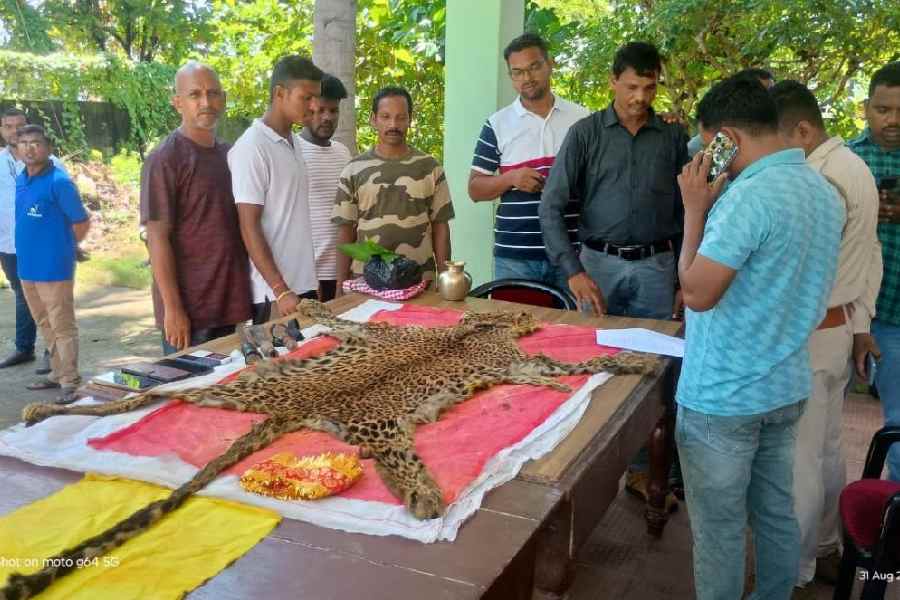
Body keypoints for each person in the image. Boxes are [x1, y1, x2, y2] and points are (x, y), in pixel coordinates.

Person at [675, 76, 844, 600]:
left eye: (709, 146)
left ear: (727, 136)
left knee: (720, 531)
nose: (707, 157)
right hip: (784, 386)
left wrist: (695, 209)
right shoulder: (823, 191)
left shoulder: (749, 197)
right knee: (775, 512)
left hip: (723, 398)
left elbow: (697, 292)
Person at [540, 41, 689, 503]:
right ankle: (574, 467)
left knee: (656, 375)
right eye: (631, 86)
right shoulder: (585, 134)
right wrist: (573, 271)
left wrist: (684, 278)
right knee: (589, 368)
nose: (640, 97)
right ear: (612, 81)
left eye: (649, 87)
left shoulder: (672, 137)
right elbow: (551, 204)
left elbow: (692, 209)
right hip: (597, 266)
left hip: (657, 268)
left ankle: (646, 471)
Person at [771, 80, 883, 594]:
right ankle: (824, 547)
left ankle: (792, 572)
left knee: (799, 462)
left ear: (802, 128)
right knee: (827, 448)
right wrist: (861, 326)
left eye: (776, 138)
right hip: (836, 329)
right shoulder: (850, 168)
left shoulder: (823, 180)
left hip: (811, 334)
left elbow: (796, 265)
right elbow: (871, 258)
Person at [140, 62, 252, 355]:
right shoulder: (165, 160)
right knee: (192, 393)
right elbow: (157, 238)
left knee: (229, 393)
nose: (206, 102)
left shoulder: (232, 155)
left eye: (213, 93)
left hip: (231, 303)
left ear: (223, 99)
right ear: (178, 102)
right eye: (195, 95)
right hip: (191, 312)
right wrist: (172, 309)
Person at [468, 32, 589, 288]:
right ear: (511, 76)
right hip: (515, 256)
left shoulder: (582, 119)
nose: (527, 78)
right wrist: (511, 178)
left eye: (534, 67)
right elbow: (475, 189)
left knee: (572, 328)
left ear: (550, 64)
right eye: (518, 72)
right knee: (514, 328)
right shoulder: (497, 124)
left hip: (573, 255)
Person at [229, 55, 323, 324]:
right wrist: (280, 290)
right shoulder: (252, 147)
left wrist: (309, 281)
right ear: (280, 93)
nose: (315, 106)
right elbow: (249, 226)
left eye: (316, 97)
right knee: (279, 366)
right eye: (307, 97)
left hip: (301, 288)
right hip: (274, 297)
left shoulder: (292, 141)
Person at [333, 86, 454, 292]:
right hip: (366, 282)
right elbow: (345, 231)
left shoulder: (430, 167)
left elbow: (441, 228)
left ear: (410, 119)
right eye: (386, 117)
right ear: (373, 119)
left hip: (419, 282)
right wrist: (339, 285)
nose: (393, 125)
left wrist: (444, 280)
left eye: (401, 117)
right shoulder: (353, 170)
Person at [848, 61, 900, 481]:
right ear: (866, 108)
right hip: (862, 313)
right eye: (884, 109)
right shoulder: (847, 159)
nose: (893, 120)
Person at [15, 125, 91, 404]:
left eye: (35, 143)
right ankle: (57, 373)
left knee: (62, 325)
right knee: (44, 322)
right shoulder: (22, 178)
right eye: (23, 143)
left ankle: (70, 381)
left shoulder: (59, 182)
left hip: (54, 268)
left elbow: (81, 221)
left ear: (48, 148)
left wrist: (67, 249)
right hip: (28, 267)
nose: (29, 148)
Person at [0, 108, 64, 374]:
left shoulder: (52, 164)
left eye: (20, 125)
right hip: (8, 244)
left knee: (50, 299)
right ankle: (24, 348)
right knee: (22, 295)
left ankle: (54, 352)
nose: (14, 131)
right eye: (8, 126)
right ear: (1, 131)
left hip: (42, 244)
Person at [299, 74, 353, 302]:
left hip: (342, 274)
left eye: (333, 111)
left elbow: (351, 217)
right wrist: (308, 277)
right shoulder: (291, 151)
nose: (327, 117)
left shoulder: (344, 153)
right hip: (305, 279)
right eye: (320, 110)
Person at [686, 68, 775, 157]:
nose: (769, 99)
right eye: (760, 94)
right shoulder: (706, 139)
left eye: (772, 91)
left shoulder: (779, 132)